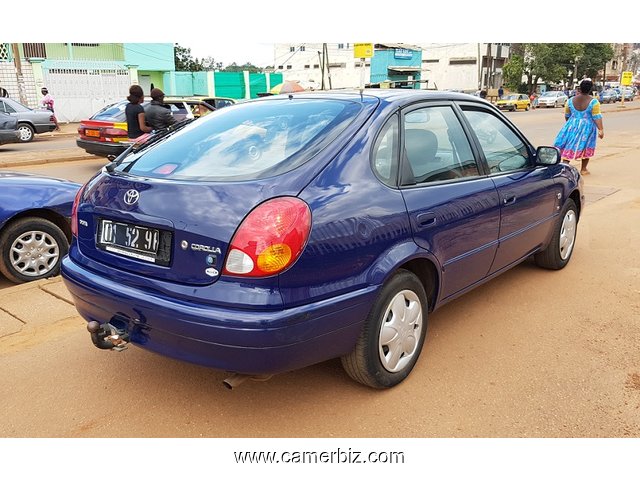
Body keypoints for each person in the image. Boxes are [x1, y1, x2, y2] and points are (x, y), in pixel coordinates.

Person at [553, 78, 604, 176]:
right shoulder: (594, 102)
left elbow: (567, 115)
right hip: (587, 126)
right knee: (586, 145)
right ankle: (583, 169)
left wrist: (571, 124)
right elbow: (597, 116)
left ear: (579, 88)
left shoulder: (570, 100)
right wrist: (601, 129)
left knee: (569, 144)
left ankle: (565, 166)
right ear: (590, 89)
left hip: (572, 124)